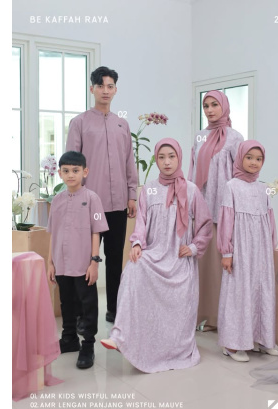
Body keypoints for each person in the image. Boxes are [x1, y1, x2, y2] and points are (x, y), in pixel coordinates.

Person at [100, 138, 213, 373]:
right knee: (133, 269)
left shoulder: (191, 190)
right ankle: (120, 336)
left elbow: (205, 225)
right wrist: (137, 243)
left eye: (171, 156)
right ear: (156, 160)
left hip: (179, 259)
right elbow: (141, 221)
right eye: (161, 157)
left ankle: (173, 350)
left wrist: (193, 247)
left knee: (178, 300)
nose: (166, 162)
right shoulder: (149, 189)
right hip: (155, 254)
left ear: (179, 158)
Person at [65, 66, 138, 327]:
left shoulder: (122, 124)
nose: (105, 91)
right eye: (100, 86)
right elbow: (71, 163)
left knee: (116, 259)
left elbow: (129, 162)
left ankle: (115, 310)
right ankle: (84, 315)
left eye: (110, 86)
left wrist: (132, 195)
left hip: (118, 205)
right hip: (89, 205)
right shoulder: (79, 123)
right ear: (92, 89)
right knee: (86, 259)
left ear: (115, 90)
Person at [217, 140, 278, 362]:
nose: (254, 162)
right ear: (240, 158)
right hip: (241, 250)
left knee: (262, 290)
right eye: (249, 157)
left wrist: (270, 246)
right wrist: (227, 252)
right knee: (240, 292)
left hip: (261, 250)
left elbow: (270, 219)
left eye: (259, 159)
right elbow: (226, 220)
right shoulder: (232, 186)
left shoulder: (264, 188)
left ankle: (262, 339)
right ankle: (232, 344)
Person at [47, 151, 109, 369]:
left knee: (87, 304)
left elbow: (96, 231)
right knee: (66, 302)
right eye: (66, 171)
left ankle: (88, 345)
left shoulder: (92, 199)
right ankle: (69, 339)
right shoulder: (56, 201)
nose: (71, 175)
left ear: (85, 172)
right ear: (60, 173)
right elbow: (53, 233)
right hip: (61, 263)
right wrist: (50, 262)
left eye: (75, 170)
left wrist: (94, 262)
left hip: (83, 265)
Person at [188, 90, 244, 330]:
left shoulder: (235, 137)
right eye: (206, 106)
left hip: (225, 210)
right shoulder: (199, 137)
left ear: (224, 106)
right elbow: (192, 171)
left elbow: (240, 173)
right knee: (205, 268)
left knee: (226, 266)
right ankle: (207, 316)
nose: (210, 110)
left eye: (214, 105)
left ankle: (226, 319)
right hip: (203, 209)